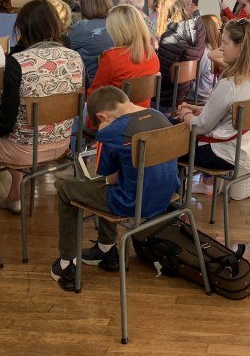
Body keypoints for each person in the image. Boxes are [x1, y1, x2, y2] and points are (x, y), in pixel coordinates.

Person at [0, 0, 83, 225]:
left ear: (23, 29)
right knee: (12, 130)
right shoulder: (73, 56)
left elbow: (7, 120)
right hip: (62, 143)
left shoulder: (18, 61)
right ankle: (13, 196)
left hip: (26, 150)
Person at [50, 86, 177, 291]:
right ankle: (105, 249)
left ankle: (66, 264)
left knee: (66, 189)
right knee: (107, 185)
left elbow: (107, 175)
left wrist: (103, 143)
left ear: (102, 116)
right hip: (167, 194)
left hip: (134, 203)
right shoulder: (158, 115)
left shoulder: (112, 131)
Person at [174, 19, 250, 172]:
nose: (221, 48)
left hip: (226, 155)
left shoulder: (231, 85)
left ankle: (173, 193)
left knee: (166, 146)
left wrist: (185, 113)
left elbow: (200, 126)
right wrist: (196, 108)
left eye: (225, 43)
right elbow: (231, 113)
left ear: (240, 48)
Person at [88, 5, 160, 108]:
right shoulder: (152, 54)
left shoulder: (111, 57)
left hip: (115, 117)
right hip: (144, 114)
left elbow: (94, 95)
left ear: (115, 30)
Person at [156, 0, 207, 111]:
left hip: (165, 99)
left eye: (158, 8)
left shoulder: (172, 36)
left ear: (165, 11)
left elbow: (162, 76)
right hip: (184, 90)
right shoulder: (199, 28)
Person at [68, 0, 114, 87]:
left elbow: (63, 49)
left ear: (87, 4)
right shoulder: (116, 23)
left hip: (90, 86)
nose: (77, 4)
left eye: (79, 1)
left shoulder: (84, 27)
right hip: (113, 84)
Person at [196, 14, 221, 103]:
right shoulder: (215, 50)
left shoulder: (204, 53)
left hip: (199, 96)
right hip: (209, 93)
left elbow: (194, 78)